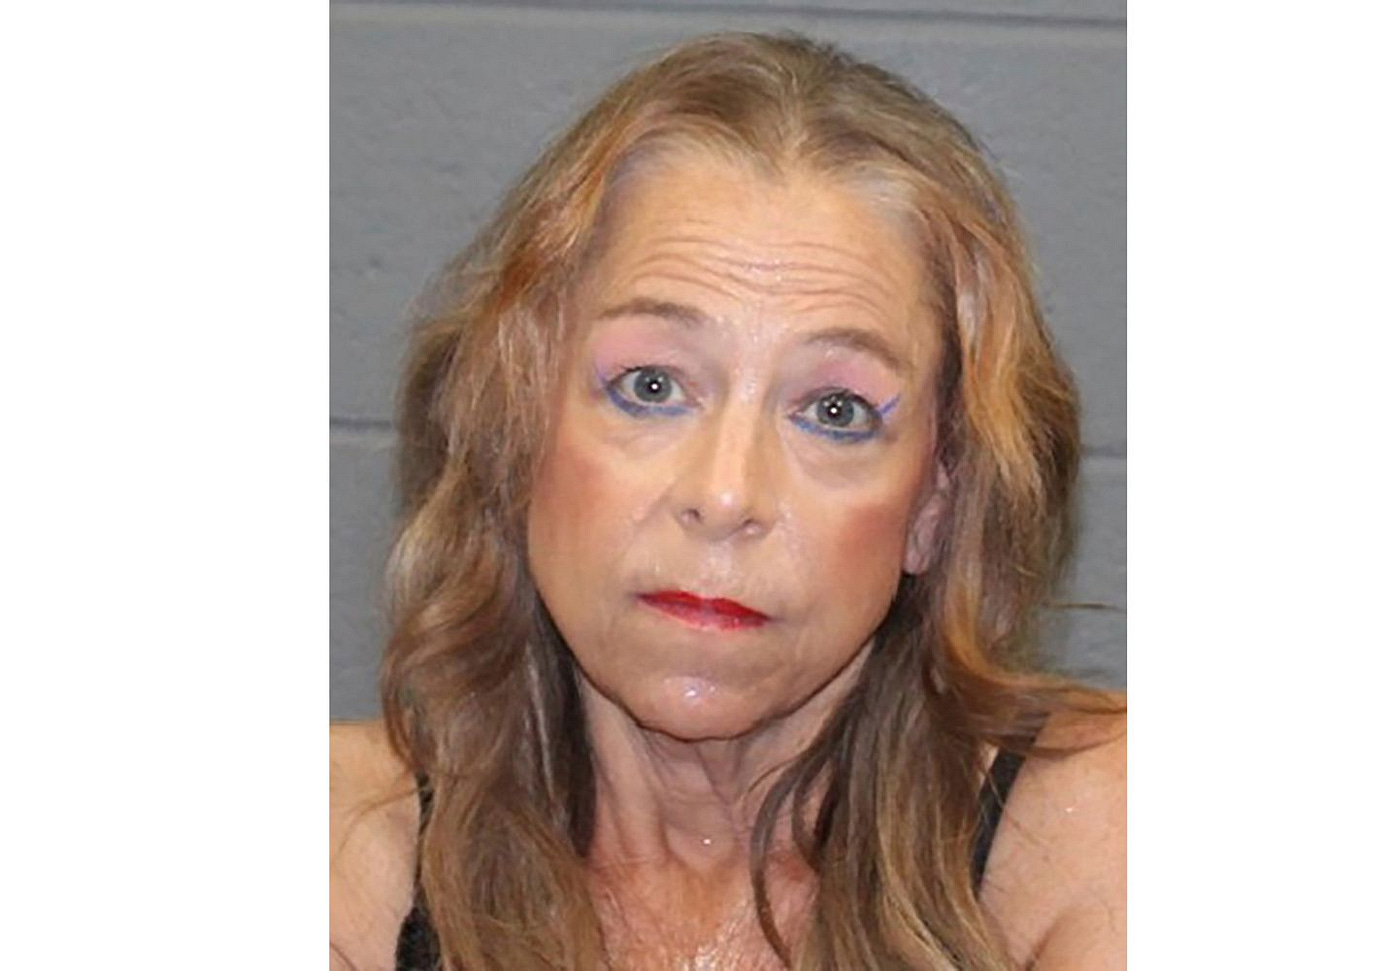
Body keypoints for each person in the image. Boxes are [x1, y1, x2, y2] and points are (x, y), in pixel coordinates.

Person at [331, 31, 1125, 971]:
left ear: (933, 504)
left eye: (834, 411)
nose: (725, 493)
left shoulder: (1102, 832)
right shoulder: (339, 841)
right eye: (652, 386)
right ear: (517, 428)